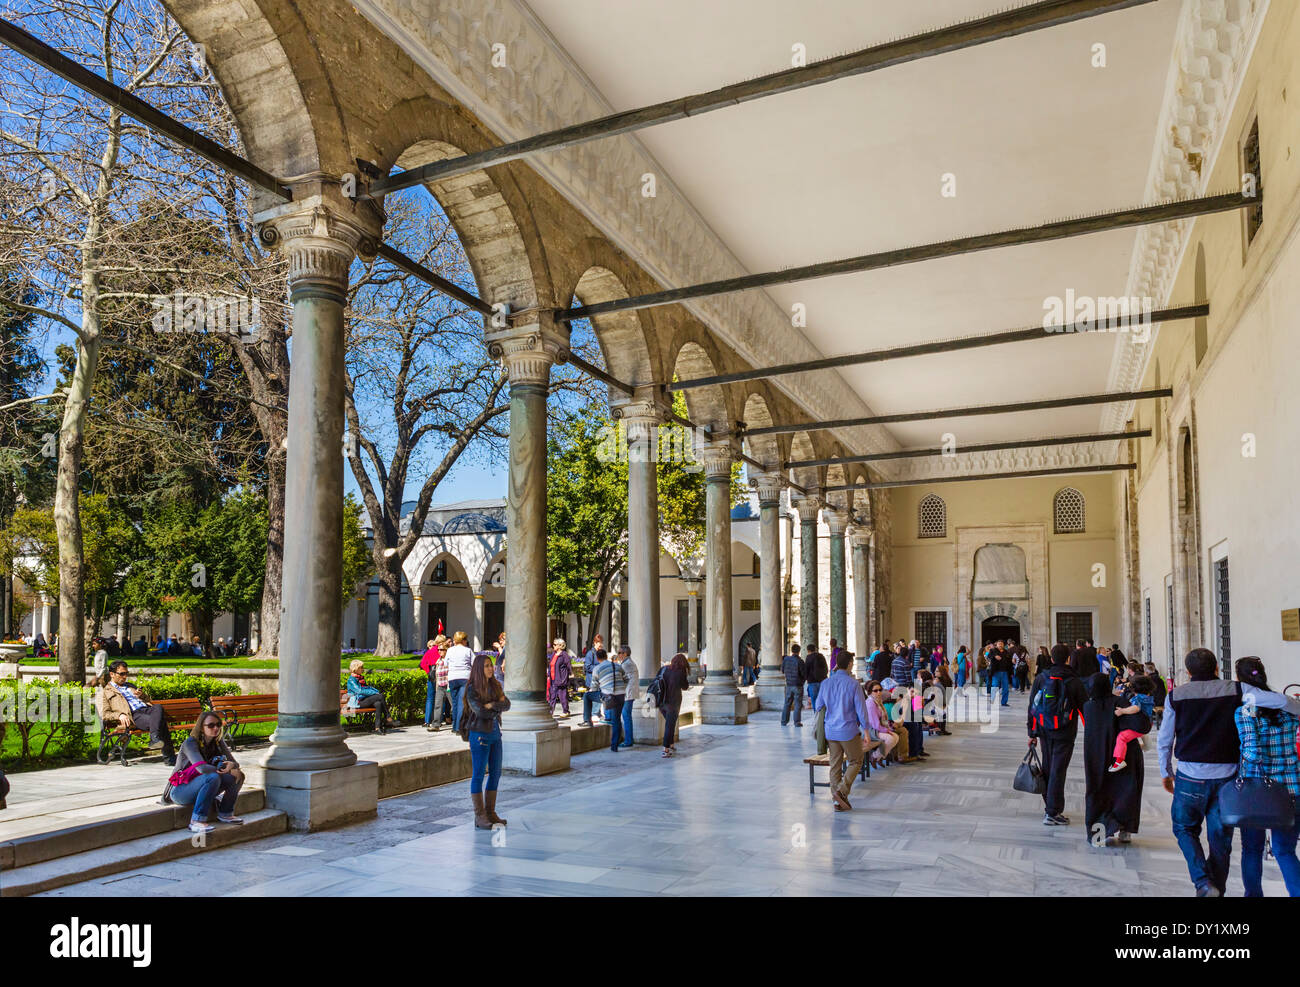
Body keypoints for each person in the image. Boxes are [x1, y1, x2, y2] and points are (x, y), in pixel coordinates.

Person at [1159, 647, 1300, 897]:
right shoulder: (1237, 690)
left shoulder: (1175, 696)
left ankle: (1203, 882)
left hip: (1191, 776)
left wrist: (1166, 771)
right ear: (1216, 669)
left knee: (1183, 828)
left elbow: (1165, 739)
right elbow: (1279, 701)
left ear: (1188, 672)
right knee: (1220, 840)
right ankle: (1217, 890)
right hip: (1227, 777)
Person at [1233, 656, 1300, 897]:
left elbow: (1251, 751)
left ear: (1239, 679)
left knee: (1252, 849)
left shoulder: (1246, 712)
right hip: (1292, 787)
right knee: (1284, 851)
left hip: (1257, 791)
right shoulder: (1287, 711)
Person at [1027, 644, 1088, 826]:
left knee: (1048, 767)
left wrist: (1031, 732)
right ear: (1068, 659)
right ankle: (1052, 812)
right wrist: (1093, 731)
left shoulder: (1041, 678)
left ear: (1051, 659)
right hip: (1066, 731)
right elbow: (1085, 708)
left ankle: (1050, 808)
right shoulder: (1074, 681)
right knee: (1058, 770)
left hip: (1045, 730)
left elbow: (1033, 706)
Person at [1082, 671, 1143, 848]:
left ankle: (1098, 834)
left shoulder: (1088, 707)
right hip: (1124, 756)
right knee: (1126, 790)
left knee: (1098, 792)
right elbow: (1140, 724)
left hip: (1096, 756)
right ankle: (1125, 829)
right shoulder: (1120, 703)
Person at [163, 711, 244, 834]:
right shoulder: (190, 743)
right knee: (212, 777)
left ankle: (225, 813)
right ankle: (196, 821)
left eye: (218, 724)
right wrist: (228, 769)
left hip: (202, 784)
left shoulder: (217, 741)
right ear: (201, 727)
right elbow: (201, 768)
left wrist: (232, 766)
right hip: (180, 790)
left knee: (239, 776)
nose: (215, 728)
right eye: (211, 725)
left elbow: (234, 763)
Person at [813, 652, 870, 811]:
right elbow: (861, 710)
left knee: (835, 765)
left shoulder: (826, 683)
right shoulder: (853, 684)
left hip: (830, 730)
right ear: (850, 664)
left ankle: (837, 802)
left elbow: (818, 706)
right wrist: (866, 731)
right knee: (856, 760)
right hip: (848, 730)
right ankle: (842, 791)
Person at [464, 652, 511, 829]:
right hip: (480, 734)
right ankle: (480, 815)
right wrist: (494, 706)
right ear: (478, 669)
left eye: (491, 665)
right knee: (478, 774)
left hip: (495, 733)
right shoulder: (472, 689)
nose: (491, 668)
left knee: (496, 773)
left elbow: (506, 704)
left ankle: (491, 812)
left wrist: (491, 705)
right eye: (486, 666)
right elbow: (480, 711)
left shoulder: (495, 685)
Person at [100, 660, 175, 764]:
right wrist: (120, 715)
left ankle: (154, 738)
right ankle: (169, 757)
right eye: (122, 674)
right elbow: (105, 714)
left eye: (126, 673)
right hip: (134, 715)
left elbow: (148, 700)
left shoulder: (130, 685)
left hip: (147, 709)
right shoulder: (107, 691)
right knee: (160, 722)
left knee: (157, 707)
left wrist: (141, 695)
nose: (125, 676)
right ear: (112, 674)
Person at [1108, 675, 1155, 772]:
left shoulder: (1137, 698)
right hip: (1147, 723)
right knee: (1142, 733)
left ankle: (1119, 761)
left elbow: (1135, 708)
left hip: (1140, 725)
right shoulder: (1148, 697)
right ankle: (1147, 745)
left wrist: (1122, 711)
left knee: (1122, 737)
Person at [592, 646, 629, 751]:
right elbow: (626, 678)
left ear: (597, 658)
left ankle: (614, 745)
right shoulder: (617, 665)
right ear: (606, 656)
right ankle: (615, 744)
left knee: (615, 720)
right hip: (621, 695)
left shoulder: (597, 668)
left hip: (610, 696)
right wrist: (622, 688)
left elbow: (594, 686)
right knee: (617, 719)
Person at [345, 659, 398, 733]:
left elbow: (367, 688)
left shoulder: (359, 678)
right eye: (361, 667)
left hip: (363, 699)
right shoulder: (352, 680)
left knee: (378, 703)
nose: (363, 669)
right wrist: (376, 693)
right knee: (380, 696)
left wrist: (376, 692)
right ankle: (388, 718)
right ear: (356, 668)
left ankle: (377, 728)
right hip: (357, 702)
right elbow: (360, 691)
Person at [657, 653, 691, 756]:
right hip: (673, 702)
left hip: (661, 702)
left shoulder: (664, 669)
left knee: (670, 723)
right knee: (670, 725)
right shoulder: (681, 672)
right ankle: (665, 750)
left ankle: (671, 744)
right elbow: (685, 686)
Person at [444, 630, 475, 733]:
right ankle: (459, 727)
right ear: (463, 640)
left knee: (455, 703)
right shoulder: (468, 651)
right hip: (464, 677)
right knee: (462, 703)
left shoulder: (450, 650)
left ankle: (454, 726)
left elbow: (445, 663)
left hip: (452, 677)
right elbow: (474, 663)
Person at [864, 680, 899, 766]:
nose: (879, 692)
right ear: (870, 692)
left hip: (877, 728)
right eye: (875, 691)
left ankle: (879, 757)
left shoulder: (878, 701)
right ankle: (874, 757)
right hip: (870, 731)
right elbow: (875, 724)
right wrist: (887, 730)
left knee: (896, 737)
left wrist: (888, 729)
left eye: (880, 690)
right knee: (890, 739)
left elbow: (882, 720)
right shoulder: (870, 703)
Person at [580, 634, 605, 726]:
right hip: (592, 680)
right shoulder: (590, 653)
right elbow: (587, 667)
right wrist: (600, 667)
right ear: (595, 643)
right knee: (594, 696)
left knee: (598, 696)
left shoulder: (601, 653)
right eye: (599, 643)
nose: (601, 645)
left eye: (601, 643)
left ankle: (597, 713)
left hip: (600, 680)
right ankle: (594, 714)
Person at [781, 643, 806, 727]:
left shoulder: (786, 659)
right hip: (798, 685)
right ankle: (797, 722)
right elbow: (803, 673)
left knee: (787, 703)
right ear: (799, 651)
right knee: (797, 704)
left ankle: (784, 721)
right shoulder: (800, 661)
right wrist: (802, 681)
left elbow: (782, 670)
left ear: (792, 651)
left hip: (788, 684)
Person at [546, 638, 573, 718]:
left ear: (560, 646)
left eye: (554, 644)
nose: (553, 646)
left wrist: (568, 676)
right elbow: (551, 665)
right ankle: (551, 712)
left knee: (562, 697)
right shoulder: (554, 654)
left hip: (561, 679)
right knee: (552, 697)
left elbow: (568, 666)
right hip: (552, 679)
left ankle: (566, 711)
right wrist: (548, 675)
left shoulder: (564, 654)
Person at [619, 646, 639, 748]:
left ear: (625, 654)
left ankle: (628, 740)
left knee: (626, 717)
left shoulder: (626, 664)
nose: (619, 655)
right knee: (627, 716)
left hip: (627, 694)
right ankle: (629, 739)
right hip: (630, 693)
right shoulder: (630, 663)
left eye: (620, 653)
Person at [420, 637, 443, 731]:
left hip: (431, 676)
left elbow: (422, 663)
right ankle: (438, 720)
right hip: (440, 676)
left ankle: (427, 721)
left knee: (429, 699)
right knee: (441, 698)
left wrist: (428, 672)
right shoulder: (442, 651)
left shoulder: (430, 651)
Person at [804, 643, 828, 709]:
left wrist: (806, 679)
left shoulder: (808, 657)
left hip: (812, 682)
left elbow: (806, 670)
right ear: (815, 649)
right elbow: (826, 668)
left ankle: (816, 715)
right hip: (822, 681)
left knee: (814, 700)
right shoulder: (821, 656)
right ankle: (823, 715)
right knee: (822, 699)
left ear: (808, 650)